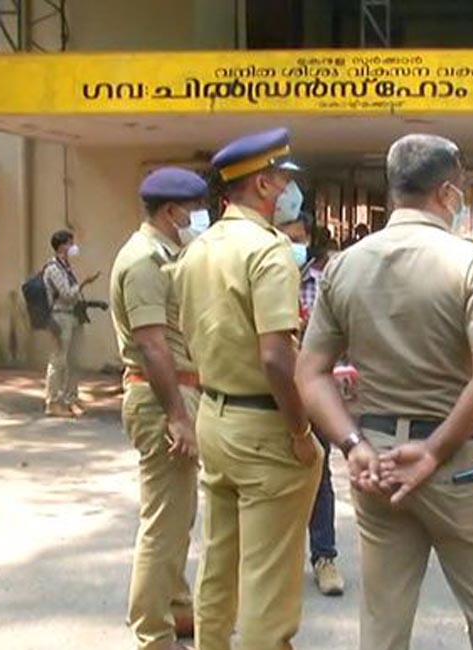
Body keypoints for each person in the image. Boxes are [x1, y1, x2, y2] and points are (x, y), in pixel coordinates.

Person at [296, 133, 473, 650]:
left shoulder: (344, 266)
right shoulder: (471, 262)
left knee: (382, 628)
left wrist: (352, 445)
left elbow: (309, 373)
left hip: (376, 461)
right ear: (448, 193)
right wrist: (433, 451)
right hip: (456, 461)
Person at [170, 127, 322, 650]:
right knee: (269, 583)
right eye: (281, 181)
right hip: (265, 425)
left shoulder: (198, 249)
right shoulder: (268, 250)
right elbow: (277, 356)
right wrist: (301, 430)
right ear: (260, 184)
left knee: (219, 561)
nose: (286, 192)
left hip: (214, 413)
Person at [109, 167, 208, 650]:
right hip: (159, 396)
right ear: (172, 212)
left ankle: (176, 609)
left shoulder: (168, 253)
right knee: (164, 523)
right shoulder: (145, 260)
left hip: (176, 391)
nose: (197, 217)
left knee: (179, 516)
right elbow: (152, 346)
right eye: (191, 210)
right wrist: (177, 416)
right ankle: (153, 634)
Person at [296, 224, 345, 597]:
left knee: (319, 473)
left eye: (297, 237)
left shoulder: (328, 282)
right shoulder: (267, 275)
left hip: (314, 390)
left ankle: (324, 556)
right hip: (270, 392)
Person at [43, 229, 100, 418]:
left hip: (73, 317)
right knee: (58, 360)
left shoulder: (66, 267)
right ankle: (53, 402)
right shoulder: (53, 269)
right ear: (61, 246)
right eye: (69, 243)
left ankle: (70, 399)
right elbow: (67, 294)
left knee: (74, 359)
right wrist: (84, 282)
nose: (73, 247)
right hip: (60, 316)